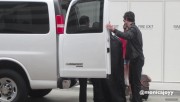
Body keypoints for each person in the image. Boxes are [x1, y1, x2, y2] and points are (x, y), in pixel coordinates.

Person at [107, 11, 145, 102]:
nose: (124, 22)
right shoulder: (133, 29)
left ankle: (137, 100)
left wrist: (114, 30)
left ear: (127, 19)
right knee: (132, 81)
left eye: (124, 20)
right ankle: (135, 99)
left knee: (135, 83)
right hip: (134, 60)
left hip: (137, 60)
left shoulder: (134, 29)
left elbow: (126, 36)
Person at [78, 15, 90, 102]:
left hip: (79, 61)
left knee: (83, 84)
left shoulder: (76, 30)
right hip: (90, 60)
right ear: (87, 22)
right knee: (97, 84)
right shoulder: (90, 30)